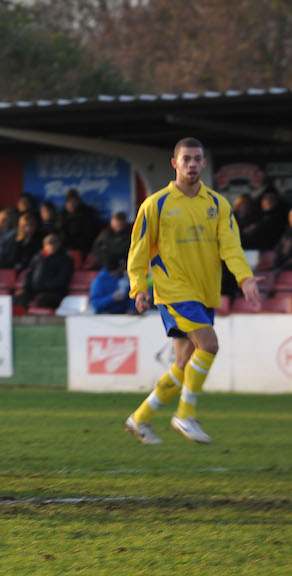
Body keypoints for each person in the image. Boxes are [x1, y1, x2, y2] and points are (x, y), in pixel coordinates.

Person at [124, 137, 262, 445]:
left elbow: (231, 246)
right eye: (185, 158)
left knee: (183, 365)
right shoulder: (156, 204)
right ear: (174, 163)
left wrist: (245, 278)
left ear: (204, 163)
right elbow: (139, 249)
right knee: (209, 345)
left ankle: (140, 418)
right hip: (173, 290)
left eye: (197, 159)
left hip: (204, 292)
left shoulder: (217, 204)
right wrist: (138, 287)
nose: (191, 164)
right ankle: (185, 415)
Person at [14, 234, 74, 310]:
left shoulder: (65, 260)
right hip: (35, 291)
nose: (51, 246)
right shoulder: (37, 258)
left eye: (54, 243)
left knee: (41, 300)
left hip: (55, 293)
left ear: (59, 245)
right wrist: (27, 287)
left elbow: (63, 279)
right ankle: (19, 320)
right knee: (17, 299)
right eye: (49, 244)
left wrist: (45, 286)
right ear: (44, 245)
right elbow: (29, 274)